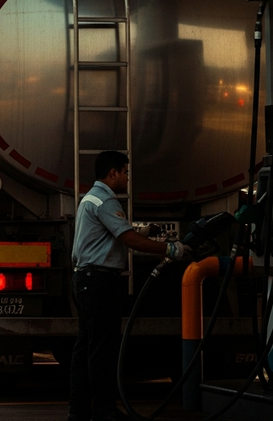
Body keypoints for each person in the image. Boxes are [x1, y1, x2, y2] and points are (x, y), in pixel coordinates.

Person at [68, 151, 192, 421]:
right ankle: (103, 411)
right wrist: (171, 249)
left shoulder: (90, 197)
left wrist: (143, 229)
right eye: (124, 172)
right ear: (112, 173)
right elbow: (130, 241)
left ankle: (78, 411)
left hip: (85, 280)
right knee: (102, 348)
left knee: (86, 346)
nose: (126, 177)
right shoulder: (105, 200)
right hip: (99, 281)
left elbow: (115, 231)